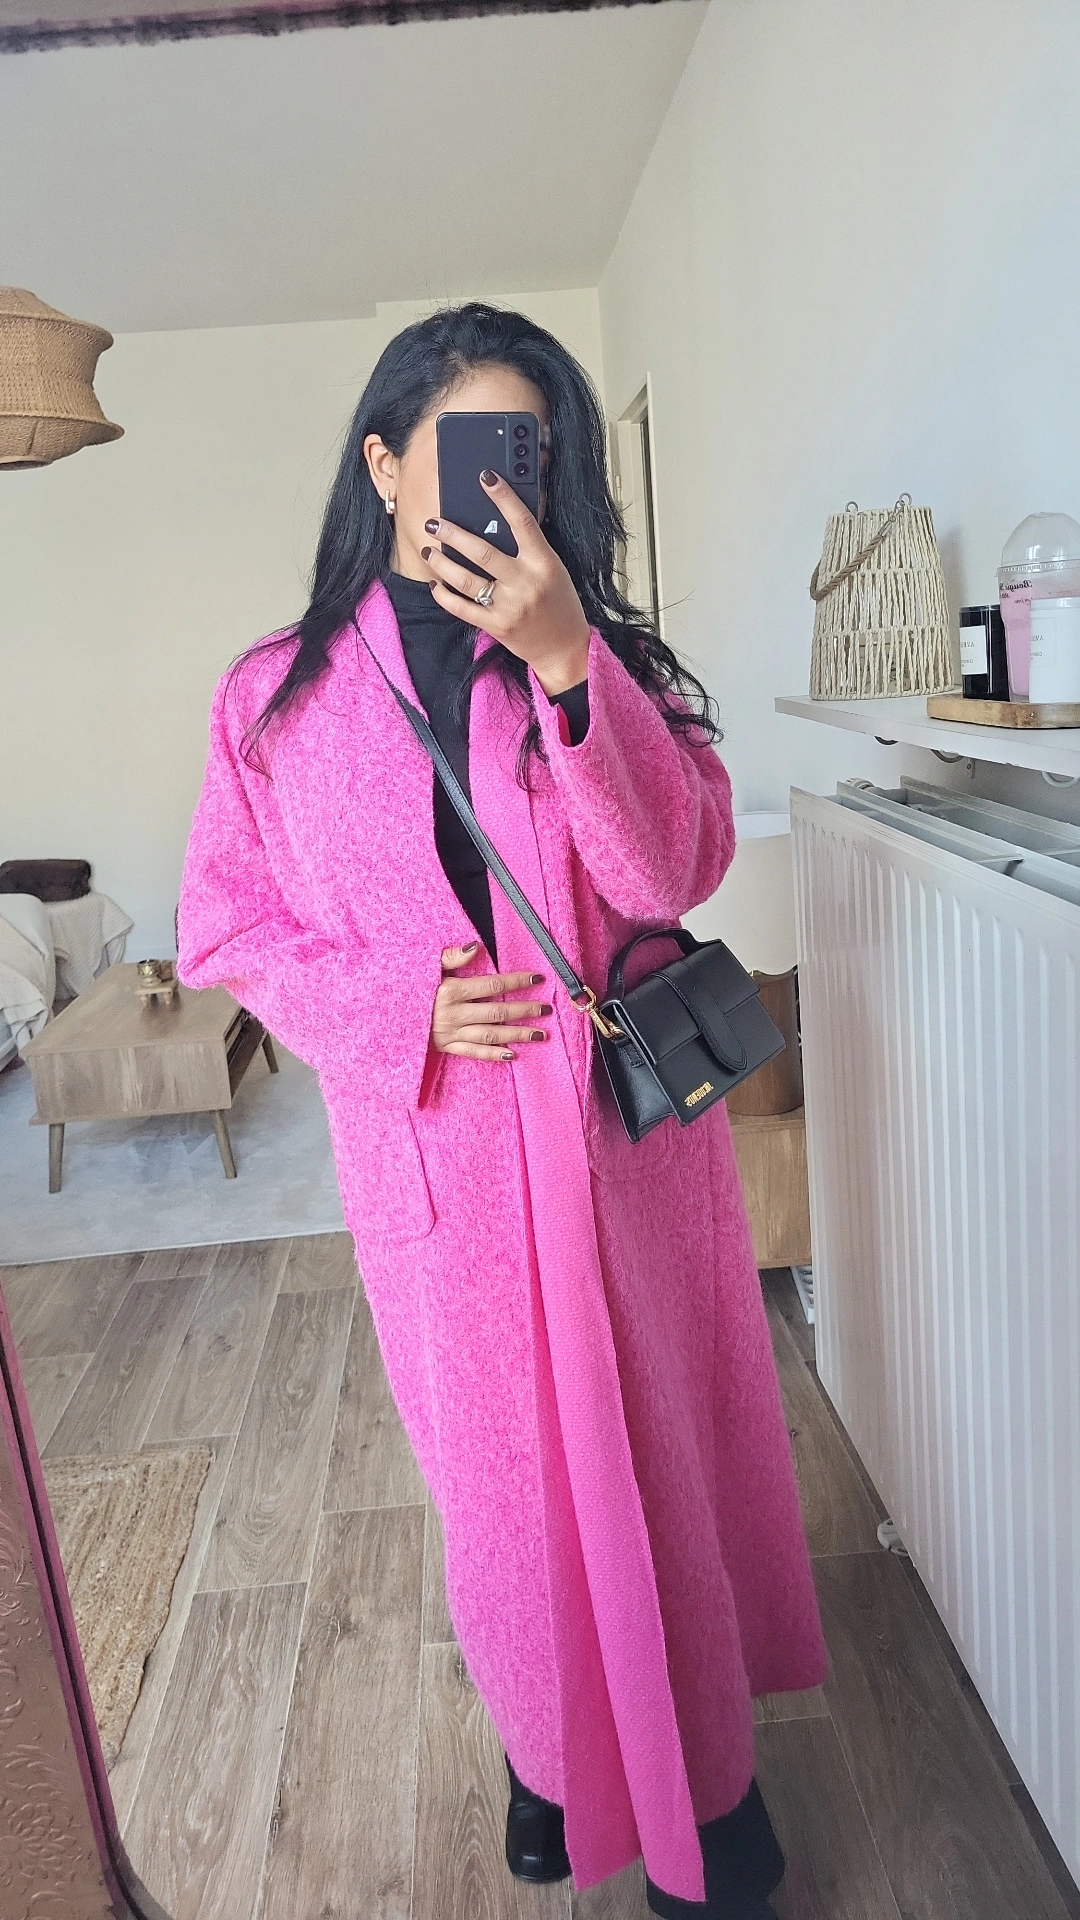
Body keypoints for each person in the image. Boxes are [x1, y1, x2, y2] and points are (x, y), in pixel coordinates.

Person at [176, 302, 829, 1917]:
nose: (493, 485)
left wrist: (566, 663)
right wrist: (399, 1006)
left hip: (619, 1152)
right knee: (506, 1497)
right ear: (385, 464)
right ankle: (550, 1756)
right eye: (461, 446)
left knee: (656, 1465)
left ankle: (711, 1794)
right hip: (443, 1163)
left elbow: (672, 871)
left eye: (523, 452)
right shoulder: (273, 698)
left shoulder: (603, 656)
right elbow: (228, 927)